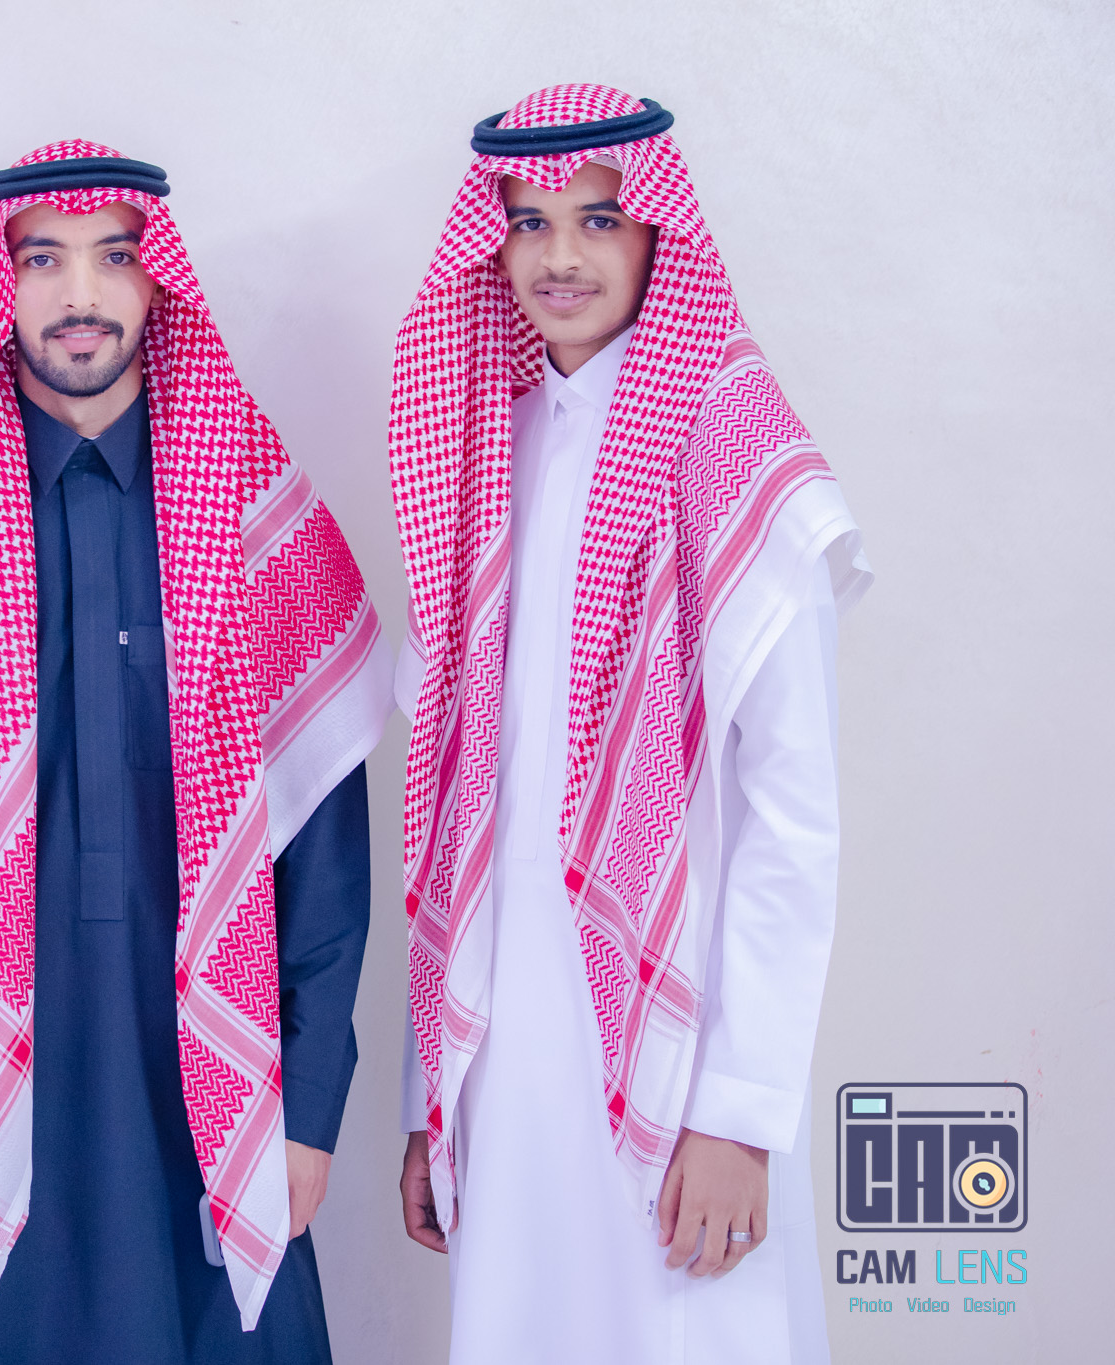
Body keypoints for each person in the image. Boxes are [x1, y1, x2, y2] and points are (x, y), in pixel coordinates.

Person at [0, 141, 392, 1364]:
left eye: (113, 257)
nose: (79, 294)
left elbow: (325, 839)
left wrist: (311, 1103)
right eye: (41, 260)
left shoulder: (250, 498)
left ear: (156, 278)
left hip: (215, 1066)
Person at [387, 85, 871, 1364]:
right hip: (506, 1044)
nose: (558, 257)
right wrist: (429, 1094)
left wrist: (739, 1113)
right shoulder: (483, 449)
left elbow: (791, 815)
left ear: (656, 231)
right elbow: (450, 804)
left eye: (597, 221)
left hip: (685, 1049)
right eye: (528, 222)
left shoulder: (736, 453)